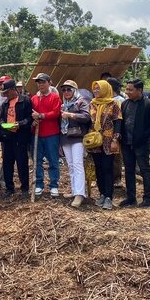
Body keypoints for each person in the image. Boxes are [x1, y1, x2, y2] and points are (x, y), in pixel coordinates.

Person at [119, 79, 150, 208]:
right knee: (129, 170)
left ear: (139, 90)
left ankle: (148, 198)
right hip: (126, 142)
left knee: (144, 169)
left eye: (130, 90)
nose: (127, 92)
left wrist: (144, 136)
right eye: (127, 89)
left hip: (142, 143)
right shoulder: (125, 104)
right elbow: (121, 122)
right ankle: (131, 198)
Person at [88, 80, 123, 210]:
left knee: (108, 168)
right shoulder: (92, 104)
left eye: (98, 89)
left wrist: (115, 139)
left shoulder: (114, 103)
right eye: (94, 89)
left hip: (108, 140)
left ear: (105, 89)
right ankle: (102, 194)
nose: (96, 91)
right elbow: (90, 122)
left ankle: (109, 196)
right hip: (95, 140)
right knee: (98, 168)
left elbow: (118, 122)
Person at [0, 79, 32, 199]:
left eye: (7, 92)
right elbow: (1, 118)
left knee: (22, 163)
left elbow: (29, 118)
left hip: (20, 136)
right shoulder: (5, 104)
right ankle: (9, 188)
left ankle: (24, 189)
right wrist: (3, 124)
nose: (6, 95)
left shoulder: (25, 101)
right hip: (7, 136)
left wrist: (20, 124)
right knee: (7, 163)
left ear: (13, 90)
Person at [59, 80, 91, 208]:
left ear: (74, 90)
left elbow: (86, 117)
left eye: (69, 89)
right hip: (66, 137)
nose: (66, 92)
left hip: (78, 137)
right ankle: (74, 190)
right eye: (64, 90)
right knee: (71, 165)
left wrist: (71, 115)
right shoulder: (63, 104)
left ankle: (80, 194)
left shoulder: (81, 102)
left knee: (78, 164)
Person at [30, 73, 62, 198]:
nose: (41, 84)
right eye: (39, 82)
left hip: (51, 134)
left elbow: (56, 112)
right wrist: (33, 120)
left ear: (49, 83)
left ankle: (54, 185)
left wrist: (42, 116)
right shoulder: (34, 99)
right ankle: (39, 184)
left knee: (53, 160)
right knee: (37, 160)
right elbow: (31, 113)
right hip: (37, 134)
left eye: (43, 82)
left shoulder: (55, 97)